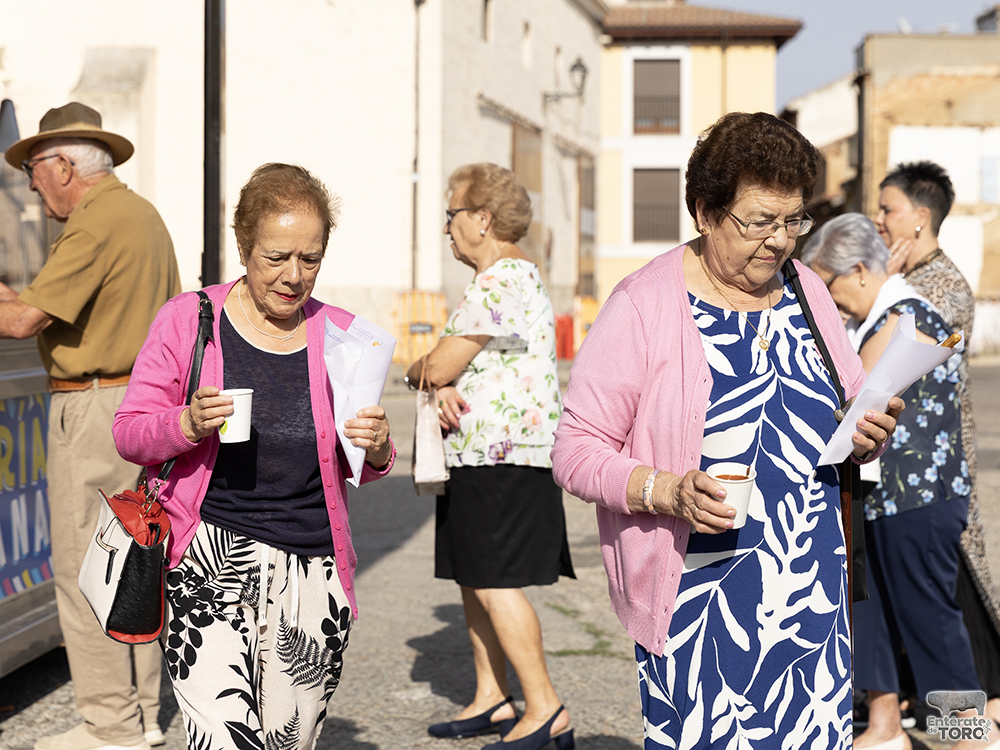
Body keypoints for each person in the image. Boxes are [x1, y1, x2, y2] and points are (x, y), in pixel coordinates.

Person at [550, 112, 903, 749]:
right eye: (759, 221)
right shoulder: (644, 304)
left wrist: (868, 430)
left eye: (793, 221)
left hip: (809, 599)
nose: (778, 242)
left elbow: (846, 404)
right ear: (705, 212)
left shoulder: (807, 292)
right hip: (698, 606)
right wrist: (664, 490)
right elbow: (575, 450)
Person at [112, 163, 395, 750]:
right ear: (243, 247)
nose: (295, 276)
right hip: (208, 563)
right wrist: (185, 423)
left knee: (287, 741)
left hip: (313, 569)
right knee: (223, 740)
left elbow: (362, 462)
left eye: (310, 259)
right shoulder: (189, 321)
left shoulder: (345, 336)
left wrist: (380, 445)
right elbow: (129, 433)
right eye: (276, 257)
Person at [0, 102, 179, 750]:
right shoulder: (140, 216)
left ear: (65, 165)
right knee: (138, 561)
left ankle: (109, 726)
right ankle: (146, 716)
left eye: (33, 170)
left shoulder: (93, 222)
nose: (29, 185)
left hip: (98, 404)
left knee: (86, 567)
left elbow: (23, 321)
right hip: (147, 405)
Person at [406, 163, 575, 750]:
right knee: (475, 578)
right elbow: (456, 367)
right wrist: (441, 378)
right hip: (484, 454)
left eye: (451, 215)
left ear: (481, 219)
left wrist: (426, 373)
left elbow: (436, 365)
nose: (447, 228)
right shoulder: (505, 280)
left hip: (503, 456)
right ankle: (492, 697)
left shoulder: (500, 279)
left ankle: (545, 708)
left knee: (497, 581)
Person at [802, 212, 984, 750]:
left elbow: (852, 400)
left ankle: (968, 733)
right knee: (871, 613)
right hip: (882, 497)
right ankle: (883, 727)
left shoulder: (905, 316)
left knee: (930, 621)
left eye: (828, 285)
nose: (828, 303)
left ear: (858, 270)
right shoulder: (883, 313)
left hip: (919, 499)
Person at [878, 161, 1000, 725]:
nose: (880, 220)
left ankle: (970, 725)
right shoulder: (903, 280)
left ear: (920, 219)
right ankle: (912, 717)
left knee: (944, 611)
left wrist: (884, 290)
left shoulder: (941, 289)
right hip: (896, 479)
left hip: (930, 476)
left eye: (889, 209)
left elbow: (905, 363)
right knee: (919, 607)